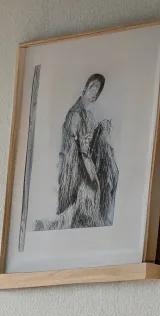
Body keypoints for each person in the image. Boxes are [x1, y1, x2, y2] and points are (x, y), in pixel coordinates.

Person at [55, 73, 118, 228]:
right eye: (92, 88)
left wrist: (98, 130)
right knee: (96, 185)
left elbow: (86, 141)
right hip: (75, 165)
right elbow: (74, 146)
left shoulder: (87, 114)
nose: (94, 93)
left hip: (83, 159)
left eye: (97, 91)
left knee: (109, 168)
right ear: (85, 89)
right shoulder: (75, 114)